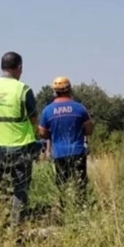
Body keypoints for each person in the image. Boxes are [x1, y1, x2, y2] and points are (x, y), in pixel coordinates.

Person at [0, 51, 38, 229]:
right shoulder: (23, 89)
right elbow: (34, 119)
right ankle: (15, 230)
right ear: (19, 68)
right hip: (19, 146)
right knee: (20, 190)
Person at [37, 76, 94, 209]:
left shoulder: (47, 111)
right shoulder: (80, 108)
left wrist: (52, 134)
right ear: (70, 90)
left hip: (59, 153)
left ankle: (63, 209)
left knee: (62, 184)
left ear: (54, 91)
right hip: (78, 151)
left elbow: (42, 133)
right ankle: (81, 208)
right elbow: (89, 129)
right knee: (80, 183)